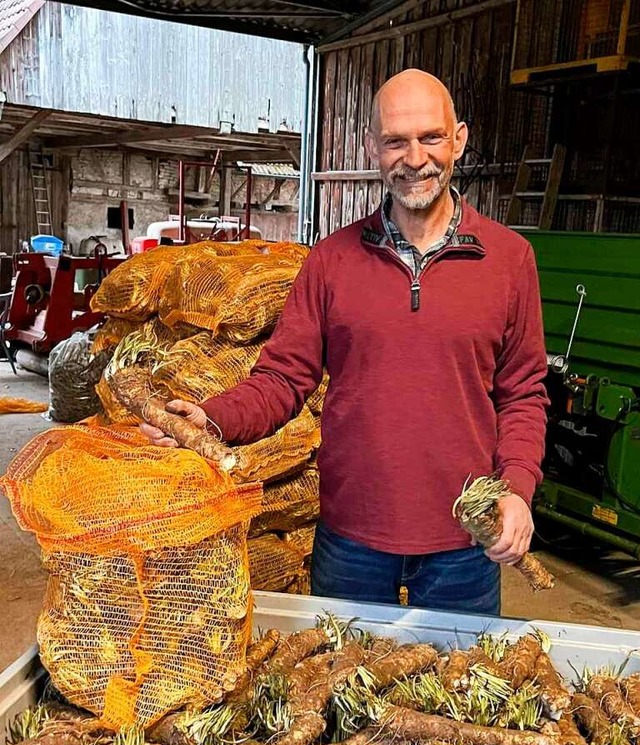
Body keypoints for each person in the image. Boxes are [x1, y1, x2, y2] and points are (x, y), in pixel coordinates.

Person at [141, 69, 548, 615]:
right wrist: (210, 420)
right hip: (352, 538)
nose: (415, 158)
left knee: (456, 697)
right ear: (372, 149)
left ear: (459, 139)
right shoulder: (331, 260)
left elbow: (523, 394)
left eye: (430, 137)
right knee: (336, 690)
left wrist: (518, 490)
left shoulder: (509, 259)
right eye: (395, 141)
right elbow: (284, 379)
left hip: (466, 543)